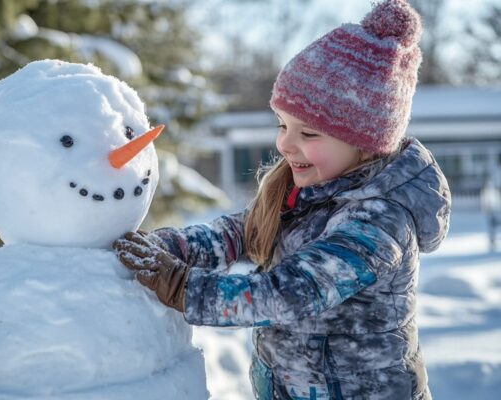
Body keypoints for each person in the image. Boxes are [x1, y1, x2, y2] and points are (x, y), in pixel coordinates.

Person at [113, 0, 451, 398]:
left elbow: (285, 295)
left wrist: (180, 285)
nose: (286, 144)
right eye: (282, 125)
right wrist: (170, 247)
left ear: (365, 144)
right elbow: (237, 233)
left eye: (308, 134)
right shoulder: (306, 193)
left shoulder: (378, 224)